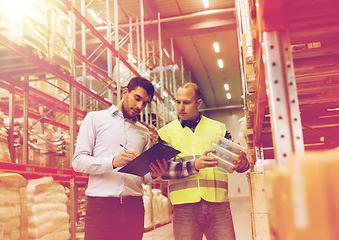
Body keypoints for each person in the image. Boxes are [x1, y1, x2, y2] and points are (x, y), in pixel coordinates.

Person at [72, 77, 167, 240]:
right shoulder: (94, 119)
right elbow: (78, 162)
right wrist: (112, 162)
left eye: (145, 103)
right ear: (125, 92)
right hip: (101, 206)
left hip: (134, 207)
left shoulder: (143, 132)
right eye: (137, 98)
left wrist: (154, 173)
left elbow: (143, 177)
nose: (140, 106)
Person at [156, 82, 249, 240]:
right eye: (178, 102)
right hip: (184, 208)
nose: (180, 107)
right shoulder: (166, 133)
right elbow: (163, 170)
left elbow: (235, 164)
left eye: (186, 102)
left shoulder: (218, 128)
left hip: (218, 204)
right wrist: (194, 165)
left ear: (198, 103)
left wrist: (242, 164)